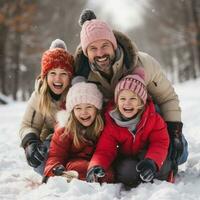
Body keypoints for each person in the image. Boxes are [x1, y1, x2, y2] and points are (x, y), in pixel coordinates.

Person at [74, 9, 188, 175]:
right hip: (113, 131)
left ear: (113, 45)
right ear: (86, 52)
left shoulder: (143, 63)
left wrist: (174, 132)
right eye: (93, 48)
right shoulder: (82, 75)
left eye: (105, 46)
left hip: (149, 123)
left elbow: (167, 98)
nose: (100, 53)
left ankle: (165, 152)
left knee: (180, 155)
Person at [86, 68, 170, 187]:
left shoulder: (153, 119)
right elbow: (104, 149)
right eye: (123, 99)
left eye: (133, 99)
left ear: (141, 102)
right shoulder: (112, 123)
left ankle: (160, 171)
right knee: (127, 173)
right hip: (127, 158)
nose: (127, 103)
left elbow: (160, 142)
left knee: (162, 166)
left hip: (148, 154)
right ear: (117, 102)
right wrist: (96, 165)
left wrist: (152, 161)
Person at [19, 39, 74, 175]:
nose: (58, 79)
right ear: (45, 76)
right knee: (40, 164)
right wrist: (31, 143)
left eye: (63, 74)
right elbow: (27, 125)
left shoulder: (76, 94)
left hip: (75, 142)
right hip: (51, 142)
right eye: (53, 73)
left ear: (70, 76)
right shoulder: (39, 96)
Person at [43, 82, 114, 182]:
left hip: (99, 165)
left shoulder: (105, 127)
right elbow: (56, 155)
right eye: (78, 108)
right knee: (77, 167)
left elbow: (107, 152)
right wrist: (55, 168)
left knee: (108, 173)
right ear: (72, 111)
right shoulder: (64, 130)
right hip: (73, 167)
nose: (84, 112)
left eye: (89, 107)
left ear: (97, 109)